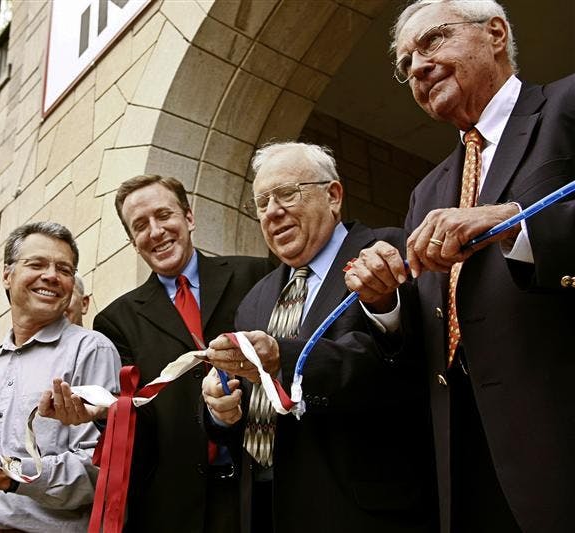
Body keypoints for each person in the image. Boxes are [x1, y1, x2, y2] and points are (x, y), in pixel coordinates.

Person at [344, 2, 575, 532]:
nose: (418, 68)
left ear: (495, 33)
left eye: (433, 41)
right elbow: (427, 331)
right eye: (406, 64)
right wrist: (384, 302)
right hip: (465, 459)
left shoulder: (567, 105)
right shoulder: (425, 193)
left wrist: (515, 221)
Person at [202, 142, 436, 533]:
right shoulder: (255, 298)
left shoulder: (385, 252)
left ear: (333, 195)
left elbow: (397, 365)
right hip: (265, 509)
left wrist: (283, 358)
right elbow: (250, 407)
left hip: (360, 510)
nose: (272, 211)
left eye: (286, 194)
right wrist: (220, 408)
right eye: (262, 203)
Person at [83, 174, 272, 532]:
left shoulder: (256, 274)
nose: (155, 232)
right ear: (133, 242)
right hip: (172, 507)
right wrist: (107, 415)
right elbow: (137, 423)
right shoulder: (115, 321)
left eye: (164, 215)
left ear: (189, 217)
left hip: (261, 492)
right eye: (140, 225)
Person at [0, 221, 121, 532]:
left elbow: (99, 470)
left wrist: (6, 475)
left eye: (64, 269)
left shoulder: (91, 349)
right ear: (7, 275)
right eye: (37, 264)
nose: (51, 276)